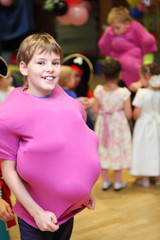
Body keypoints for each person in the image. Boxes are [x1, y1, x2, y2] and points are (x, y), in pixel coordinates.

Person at [0, 32, 101, 240]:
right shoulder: (9, 113)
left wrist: (83, 192)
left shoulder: (64, 97)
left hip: (68, 211)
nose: (50, 69)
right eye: (41, 62)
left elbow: (74, 148)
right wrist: (37, 213)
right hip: (35, 218)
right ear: (23, 68)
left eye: (55, 62)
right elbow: (8, 169)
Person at [92, 58, 132, 191]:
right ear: (120, 74)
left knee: (104, 148)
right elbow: (128, 114)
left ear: (103, 74)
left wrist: (105, 110)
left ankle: (105, 181)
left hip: (103, 124)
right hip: (118, 125)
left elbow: (96, 110)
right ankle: (118, 182)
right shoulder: (124, 93)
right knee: (117, 148)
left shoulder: (99, 91)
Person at [98, 6, 157, 92]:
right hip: (119, 76)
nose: (115, 31)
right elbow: (105, 48)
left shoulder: (136, 28)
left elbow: (148, 42)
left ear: (127, 24)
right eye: (112, 28)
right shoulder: (110, 33)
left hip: (137, 75)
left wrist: (142, 79)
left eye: (117, 28)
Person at [130, 63, 160, 187]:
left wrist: (135, 117)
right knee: (157, 149)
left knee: (145, 149)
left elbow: (136, 113)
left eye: (140, 78)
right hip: (158, 124)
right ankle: (157, 177)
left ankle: (146, 179)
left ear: (146, 77)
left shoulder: (142, 93)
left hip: (144, 125)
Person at [62, 53, 96, 129]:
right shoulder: (55, 92)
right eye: (70, 75)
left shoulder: (87, 94)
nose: (73, 78)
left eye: (77, 75)